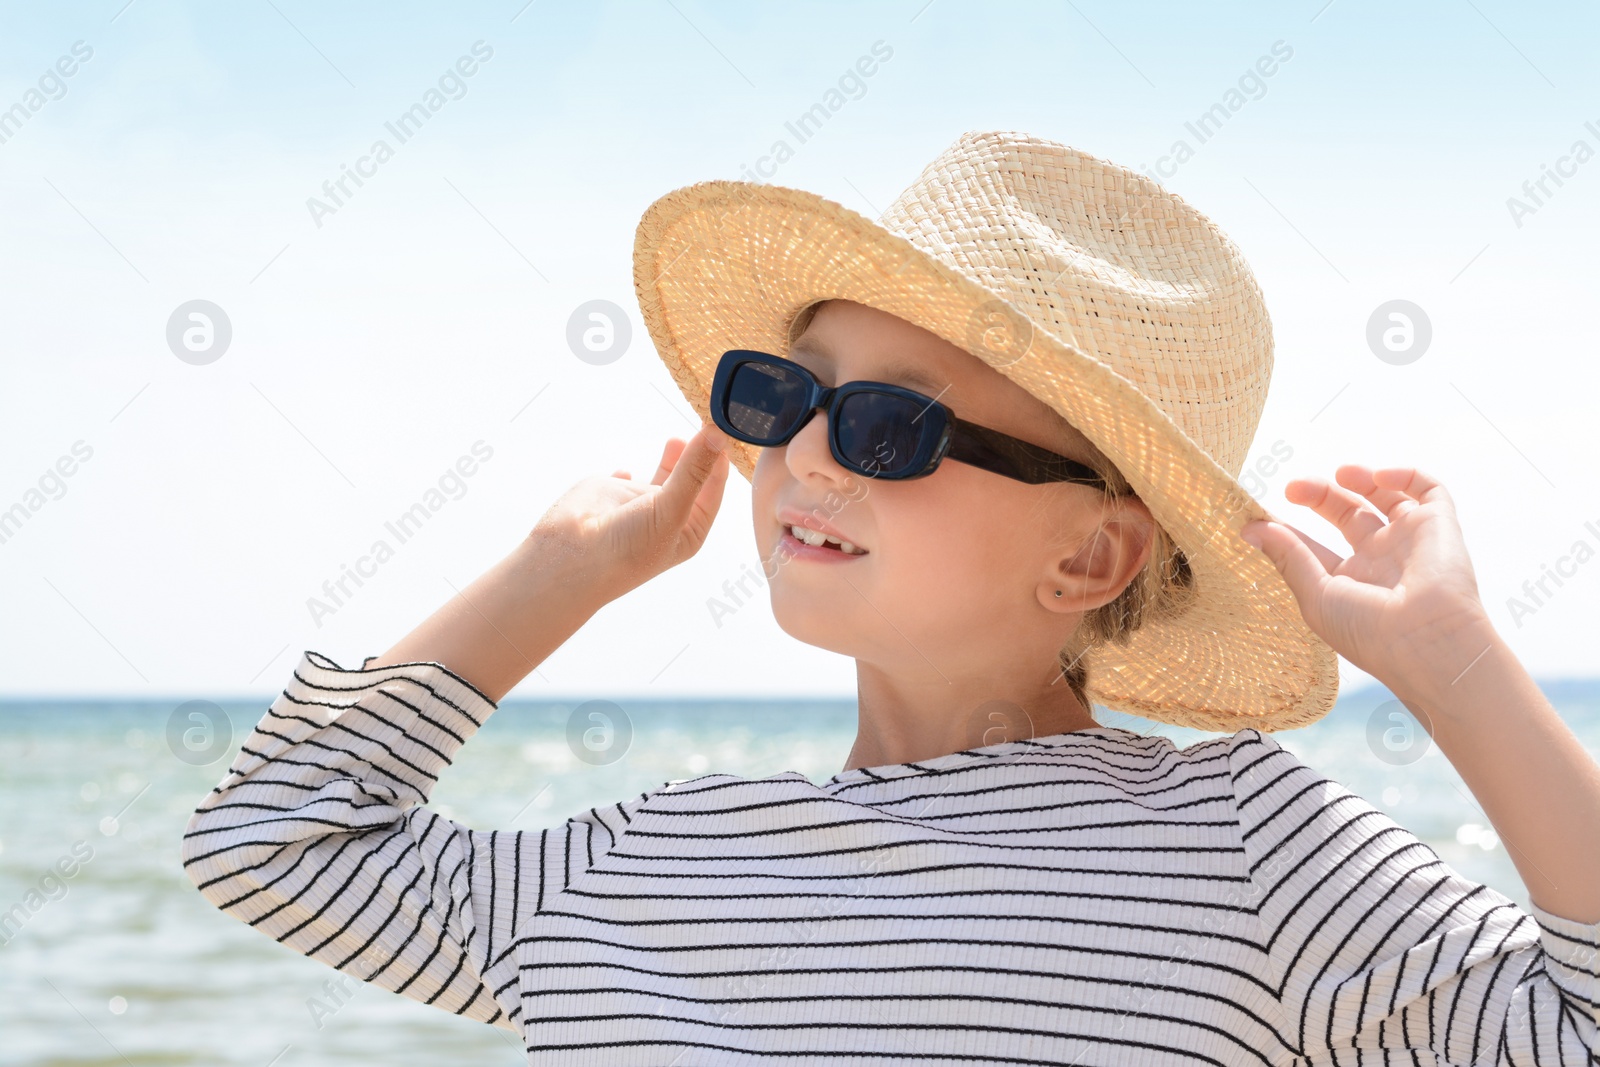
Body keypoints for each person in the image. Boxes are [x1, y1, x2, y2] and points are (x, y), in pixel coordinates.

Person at [181, 132, 1599, 1064]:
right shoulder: (646, 867)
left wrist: (1456, 666)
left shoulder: (1246, 850)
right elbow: (274, 844)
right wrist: (554, 580)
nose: (802, 452)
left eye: (886, 431)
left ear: (1092, 558)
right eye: (782, 397)